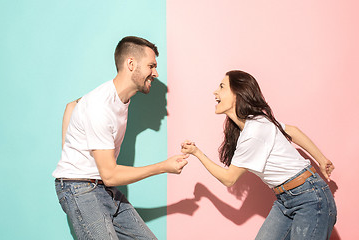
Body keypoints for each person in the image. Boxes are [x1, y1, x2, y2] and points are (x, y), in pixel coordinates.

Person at [53, 36, 188, 240]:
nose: (156, 73)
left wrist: (69, 151)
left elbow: (72, 106)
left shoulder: (113, 97)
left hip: (104, 188)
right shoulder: (100, 106)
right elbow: (110, 175)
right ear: (131, 64)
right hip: (81, 188)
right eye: (151, 66)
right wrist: (164, 167)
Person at [181, 70, 337, 240]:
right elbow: (292, 131)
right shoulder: (256, 121)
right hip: (285, 200)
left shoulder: (254, 131)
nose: (215, 92)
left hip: (310, 199)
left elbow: (229, 179)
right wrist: (322, 160)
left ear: (237, 93)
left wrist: (197, 153)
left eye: (222, 86)